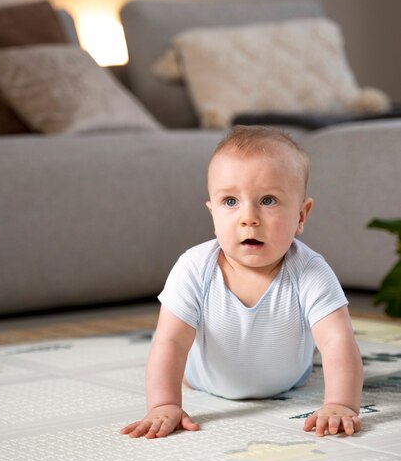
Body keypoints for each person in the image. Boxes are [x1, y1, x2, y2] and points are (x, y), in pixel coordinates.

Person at [121, 125, 363, 440]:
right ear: (213, 213)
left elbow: (337, 341)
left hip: (289, 379)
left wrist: (341, 403)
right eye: (231, 202)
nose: (248, 217)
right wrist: (164, 403)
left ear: (301, 216)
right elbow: (171, 341)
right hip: (203, 378)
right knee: (174, 352)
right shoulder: (193, 268)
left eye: (268, 200)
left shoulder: (310, 271)